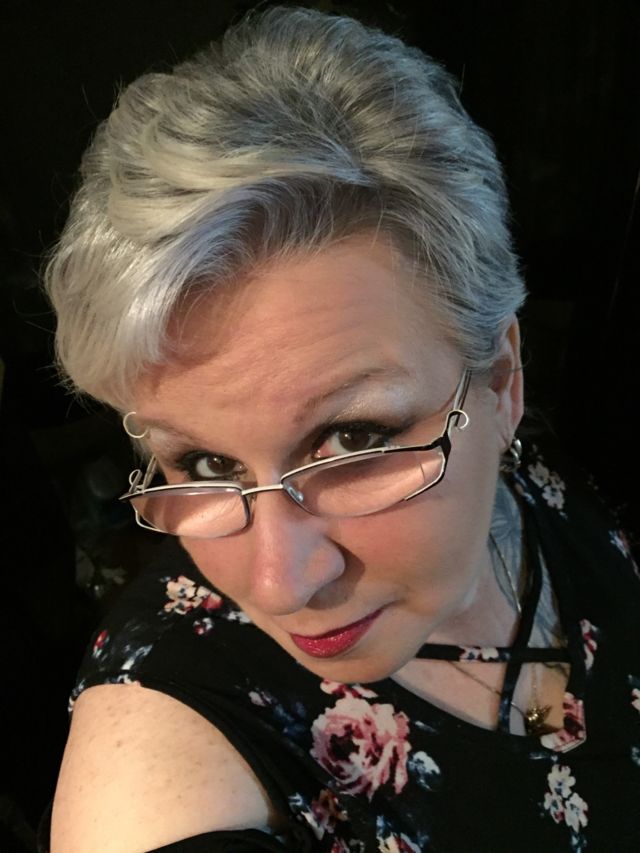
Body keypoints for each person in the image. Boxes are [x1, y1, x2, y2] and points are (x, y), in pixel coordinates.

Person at [42, 6, 640, 852]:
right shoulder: (166, 741)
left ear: (502, 382)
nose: (280, 582)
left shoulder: (528, 480)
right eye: (204, 461)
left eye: (353, 440)